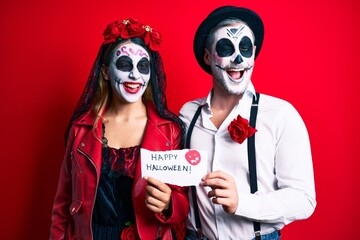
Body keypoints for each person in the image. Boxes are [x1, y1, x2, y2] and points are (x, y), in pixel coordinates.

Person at [179, 6, 316, 240]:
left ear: (253, 52)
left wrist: (243, 202)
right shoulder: (187, 114)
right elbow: (179, 183)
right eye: (225, 48)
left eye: (244, 48)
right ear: (207, 56)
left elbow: (304, 200)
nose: (238, 58)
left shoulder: (280, 114)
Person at [50, 18, 189, 240]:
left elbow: (184, 202)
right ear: (105, 71)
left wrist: (169, 203)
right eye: (125, 64)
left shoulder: (170, 130)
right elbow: (62, 204)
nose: (135, 75)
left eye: (143, 67)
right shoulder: (82, 129)